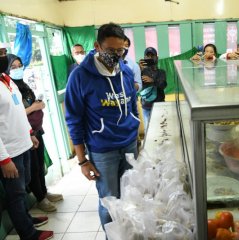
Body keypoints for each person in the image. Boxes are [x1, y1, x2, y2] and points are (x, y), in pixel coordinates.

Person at [65, 23, 140, 231]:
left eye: (121, 50)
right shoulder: (80, 76)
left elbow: (131, 104)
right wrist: (82, 160)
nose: (116, 55)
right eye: (110, 50)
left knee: (130, 198)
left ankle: (129, 235)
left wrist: (135, 134)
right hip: (102, 150)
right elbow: (73, 119)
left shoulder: (124, 71)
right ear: (97, 46)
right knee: (109, 203)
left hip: (129, 146)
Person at [0, 43, 54, 240]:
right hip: (9, 152)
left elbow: (17, 113)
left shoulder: (7, 80)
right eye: (0, 54)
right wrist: (4, 160)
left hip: (23, 144)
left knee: (22, 189)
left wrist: (30, 133)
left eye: (4, 53)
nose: (3, 57)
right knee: (15, 195)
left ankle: (26, 219)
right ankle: (28, 234)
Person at [7, 55, 63, 212]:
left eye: (20, 65)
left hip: (36, 131)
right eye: (13, 67)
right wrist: (33, 108)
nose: (18, 69)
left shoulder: (23, 85)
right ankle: (40, 198)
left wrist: (38, 104)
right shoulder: (8, 88)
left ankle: (44, 192)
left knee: (39, 165)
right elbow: (14, 114)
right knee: (31, 169)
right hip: (23, 135)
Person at [139, 47, 167, 131]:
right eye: (148, 56)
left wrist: (153, 80)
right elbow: (135, 84)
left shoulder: (161, 72)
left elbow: (163, 85)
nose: (150, 58)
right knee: (148, 130)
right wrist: (139, 70)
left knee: (161, 129)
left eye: (152, 55)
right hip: (146, 106)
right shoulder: (141, 71)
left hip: (159, 105)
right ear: (144, 58)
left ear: (157, 58)